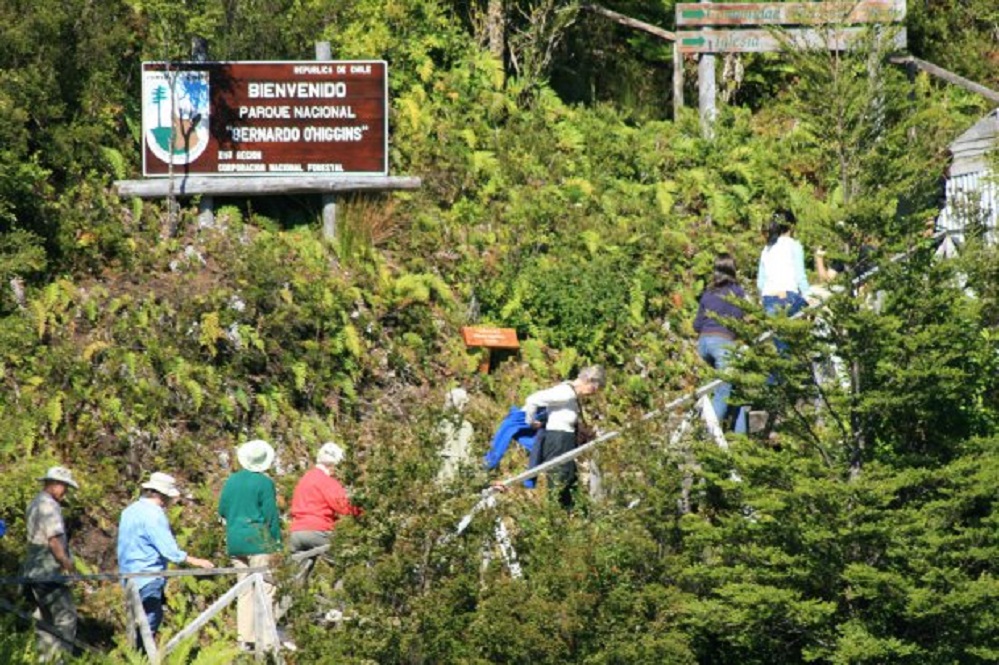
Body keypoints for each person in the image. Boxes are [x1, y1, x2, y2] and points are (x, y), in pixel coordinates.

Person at [117, 472, 214, 649]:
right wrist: (196, 561)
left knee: (135, 621)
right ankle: (144, 658)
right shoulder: (155, 514)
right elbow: (169, 550)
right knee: (150, 619)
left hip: (128, 575)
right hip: (148, 574)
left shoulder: (128, 511)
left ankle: (134, 656)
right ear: (163, 496)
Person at [218, 439, 282, 651]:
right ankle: (267, 640)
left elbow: (223, 510)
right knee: (266, 588)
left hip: (235, 540)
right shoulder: (264, 483)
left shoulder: (232, 480)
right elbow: (271, 516)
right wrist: (276, 543)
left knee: (244, 590)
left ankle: (244, 638)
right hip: (258, 540)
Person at [523, 365, 606, 508]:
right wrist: (530, 422)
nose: (592, 394)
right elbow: (532, 399)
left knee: (570, 481)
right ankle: (555, 516)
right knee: (559, 481)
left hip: (565, 441)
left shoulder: (571, 394)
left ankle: (569, 516)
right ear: (590, 383)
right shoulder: (564, 392)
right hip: (557, 440)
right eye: (594, 389)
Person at [21, 466, 79, 662]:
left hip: (32, 568)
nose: (66, 492)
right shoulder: (49, 506)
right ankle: (61, 659)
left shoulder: (34, 502)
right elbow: (53, 539)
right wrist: (66, 563)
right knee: (65, 618)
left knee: (45, 619)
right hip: (48, 568)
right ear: (55, 484)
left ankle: (44, 659)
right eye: (65, 487)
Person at [288, 442, 362, 578]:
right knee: (344, 564)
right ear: (333, 464)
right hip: (318, 531)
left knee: (296, 579)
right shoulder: (326, 481)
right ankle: (341, 598)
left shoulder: (304, 479)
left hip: (296, 532)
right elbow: (343, 507)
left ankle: (294, 598)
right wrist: (363, 511)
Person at [693, 253, 749, 434]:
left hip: (703, 344)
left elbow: (697, 325)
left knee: (731, 389)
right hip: (723, 344)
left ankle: (738, 437)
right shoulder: (738, 292)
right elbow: (747, 318)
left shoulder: (707, 294)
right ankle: (709, 435)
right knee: (724, 390)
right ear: (733, 270)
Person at [757, 209, 811, 319]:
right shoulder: (794, 246)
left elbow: (760, 283)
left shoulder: (766, 249)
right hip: (788, 296)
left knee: (777, 331)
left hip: (768, 298)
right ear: (791, 227)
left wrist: (761, 299)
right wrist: (809, 296)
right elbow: (800, 276)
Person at [435, 388, 475, 487]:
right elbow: (466, 454)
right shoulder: (466, 426)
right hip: (456, 474)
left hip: (440, 474)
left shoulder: (440, 424)